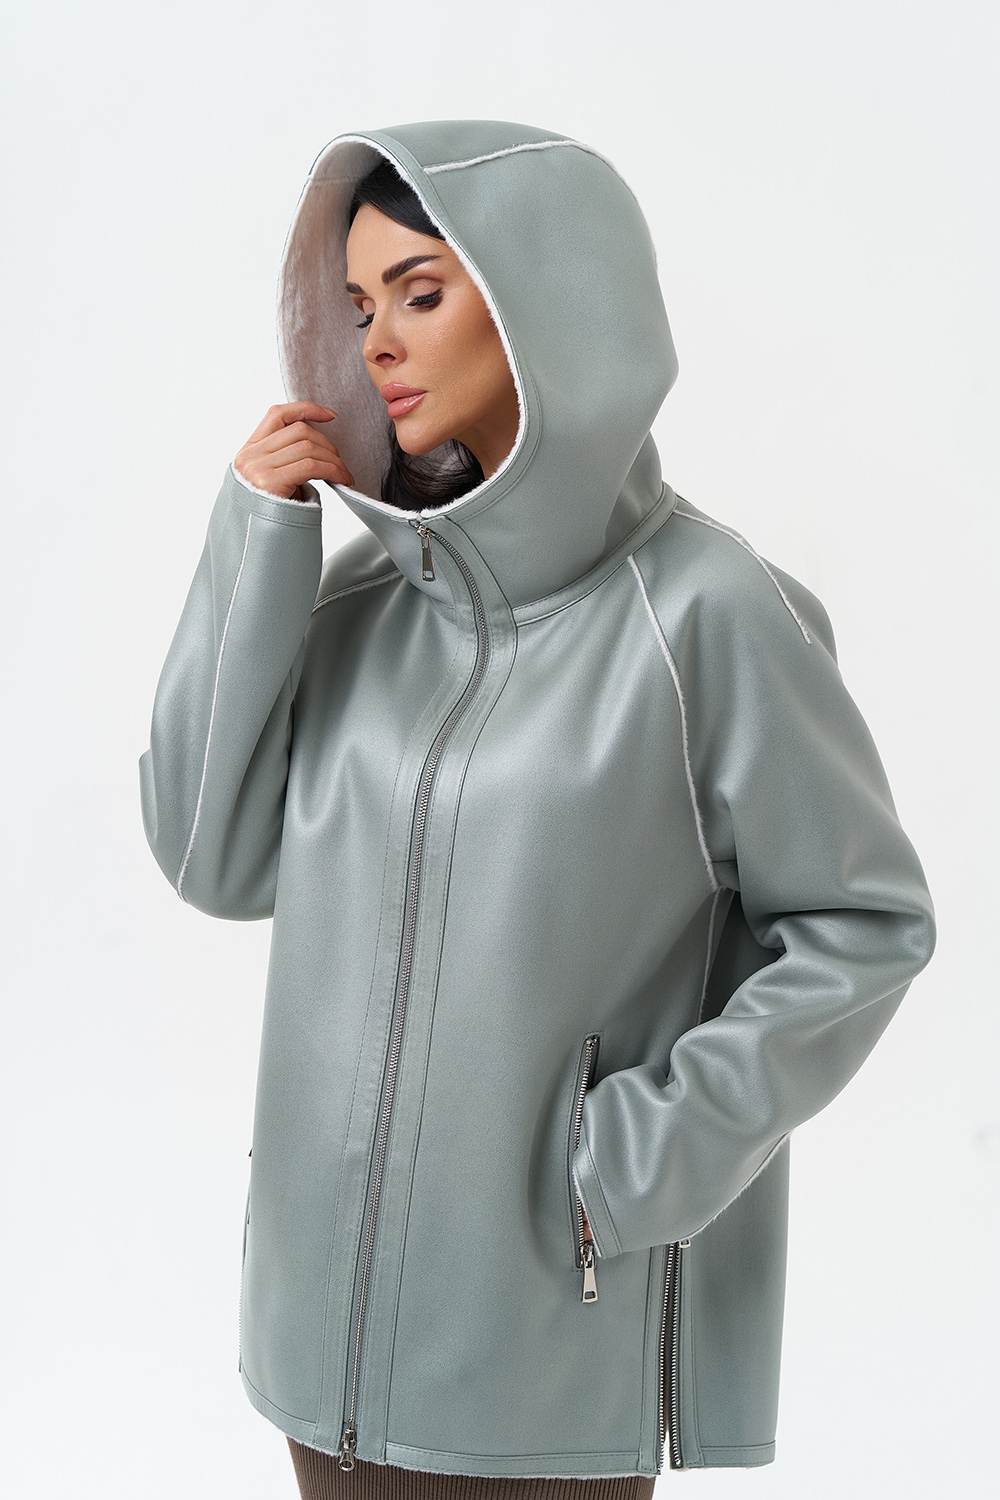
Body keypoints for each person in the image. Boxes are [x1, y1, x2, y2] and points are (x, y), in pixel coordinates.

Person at [139, 120, 935, 1498]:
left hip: (545, 1353)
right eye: (357, 307)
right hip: (316, 1345)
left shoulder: (707, 616)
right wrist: (256, 540)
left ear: (544, 301)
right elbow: (212, 858)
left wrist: (629, 1170)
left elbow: (863, 926)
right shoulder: (356, 606)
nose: (378, 342)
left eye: (421, 292)